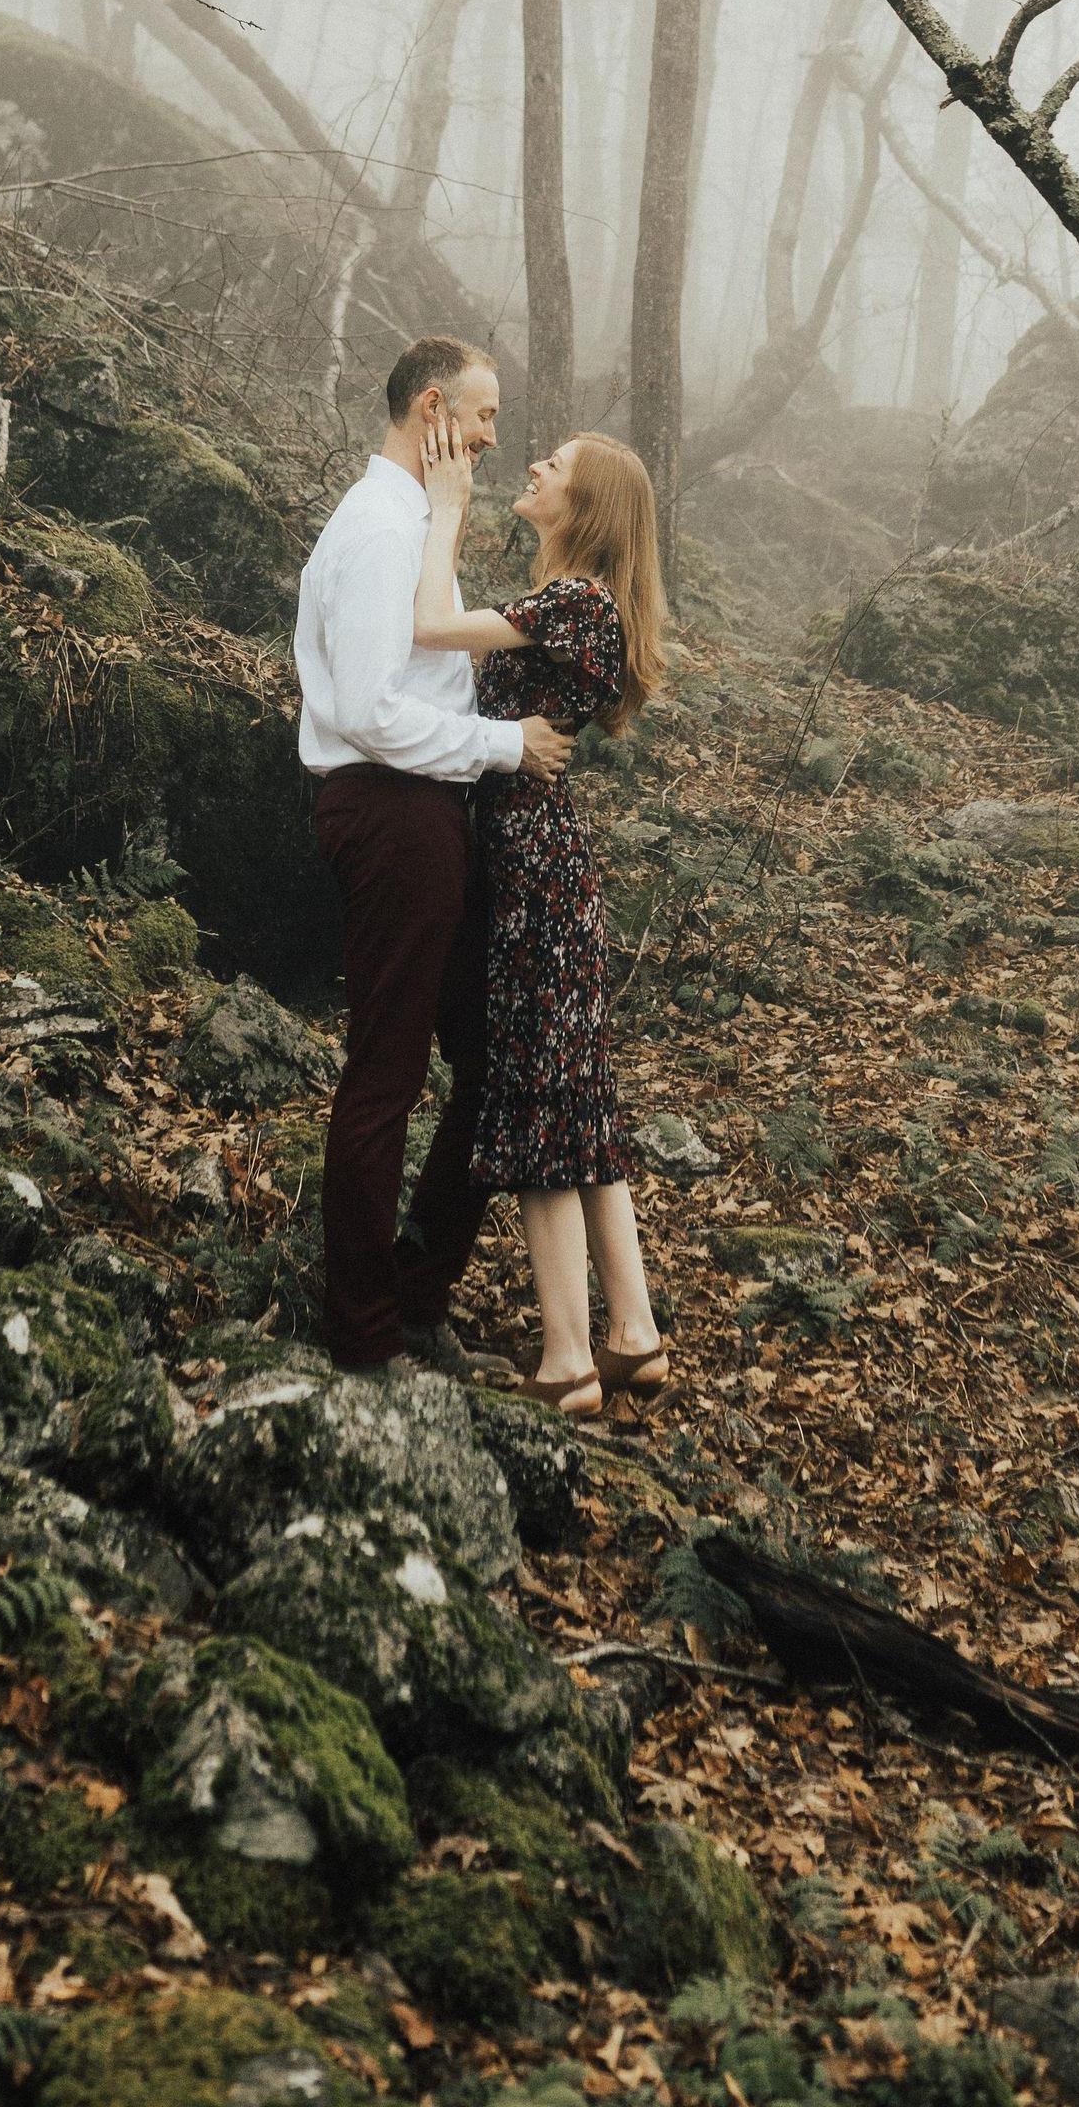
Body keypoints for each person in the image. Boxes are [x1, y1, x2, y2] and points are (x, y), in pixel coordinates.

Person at [294, 335, 573, 1374]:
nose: (495, 436)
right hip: (392, 812)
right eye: (483, 414)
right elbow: (371, 711)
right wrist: (507, 744)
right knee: (388, 1073)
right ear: (432, 410)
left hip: (428, 813)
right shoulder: (378, 528)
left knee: (491, 1061)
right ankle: (366, 1338)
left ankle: (416, 1297)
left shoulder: (414, 520)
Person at [409, 423, 673, 1418]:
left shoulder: (574, 603)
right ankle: (633, 1335)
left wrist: (445, 508)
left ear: (586, 506)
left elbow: (431, 626)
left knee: (536, 1103)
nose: (535, 466)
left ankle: (567, 1358)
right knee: (579, 1097)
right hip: (545, 864)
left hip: (531, 875)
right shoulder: (579, 604)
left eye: (554, 466)